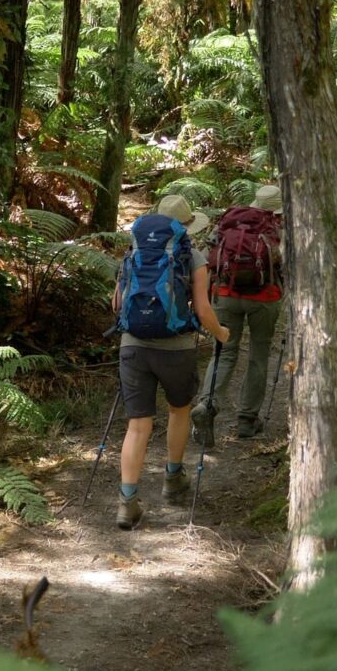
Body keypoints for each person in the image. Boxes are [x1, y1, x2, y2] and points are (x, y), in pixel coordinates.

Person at [110, 193, 230, 530]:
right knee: (178, 410)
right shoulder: (193, 256)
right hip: (175, 348)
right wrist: (221, 333)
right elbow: (204, 311)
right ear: (187, 225)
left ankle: (127, 502)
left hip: (132, 347)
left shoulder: (132, 253)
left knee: (137, 424)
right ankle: (172, 477)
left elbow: (117, 304)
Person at [198, 185, 284, 440]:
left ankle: (207, 405)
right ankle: (247, 420)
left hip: (226, 296)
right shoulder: (278, 227)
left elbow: (206, 257)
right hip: (265, 298)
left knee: (223, 352)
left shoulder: (230, 222)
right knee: (259, 354)